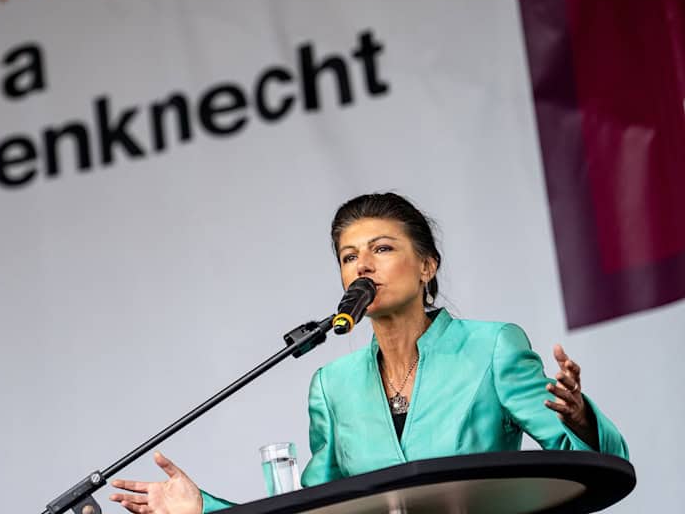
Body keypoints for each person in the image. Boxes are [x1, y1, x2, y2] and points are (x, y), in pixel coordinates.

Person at [108, 193, 629, 514]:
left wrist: (581, 417)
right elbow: (310, 510)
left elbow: (601, 462)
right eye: (349, 256)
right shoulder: (332, 386)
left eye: (382, 249)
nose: (363, 266)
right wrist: (203, 509)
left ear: (428, 266)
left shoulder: (492, 346)